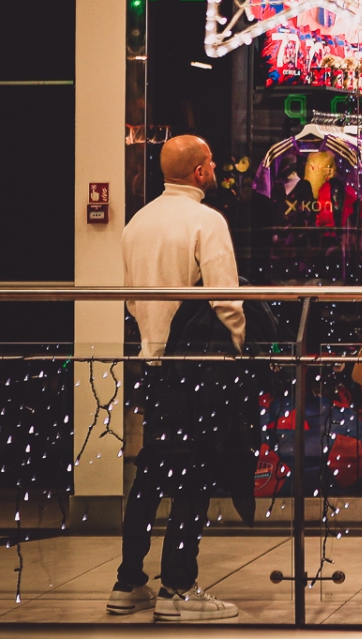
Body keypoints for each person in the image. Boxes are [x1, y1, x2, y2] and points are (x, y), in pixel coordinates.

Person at [112, 136, 247, 622]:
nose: (215, 167)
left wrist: (153, 336)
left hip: (153, 363)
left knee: (150, 472)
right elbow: (226, 299)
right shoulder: (206, 221)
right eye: (210, 161)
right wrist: (238, 348)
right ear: (199, 172)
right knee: (195, 475)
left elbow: (130, 297)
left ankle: (129, 581)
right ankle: (178, 586)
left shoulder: (138, 222)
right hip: (197, 368)